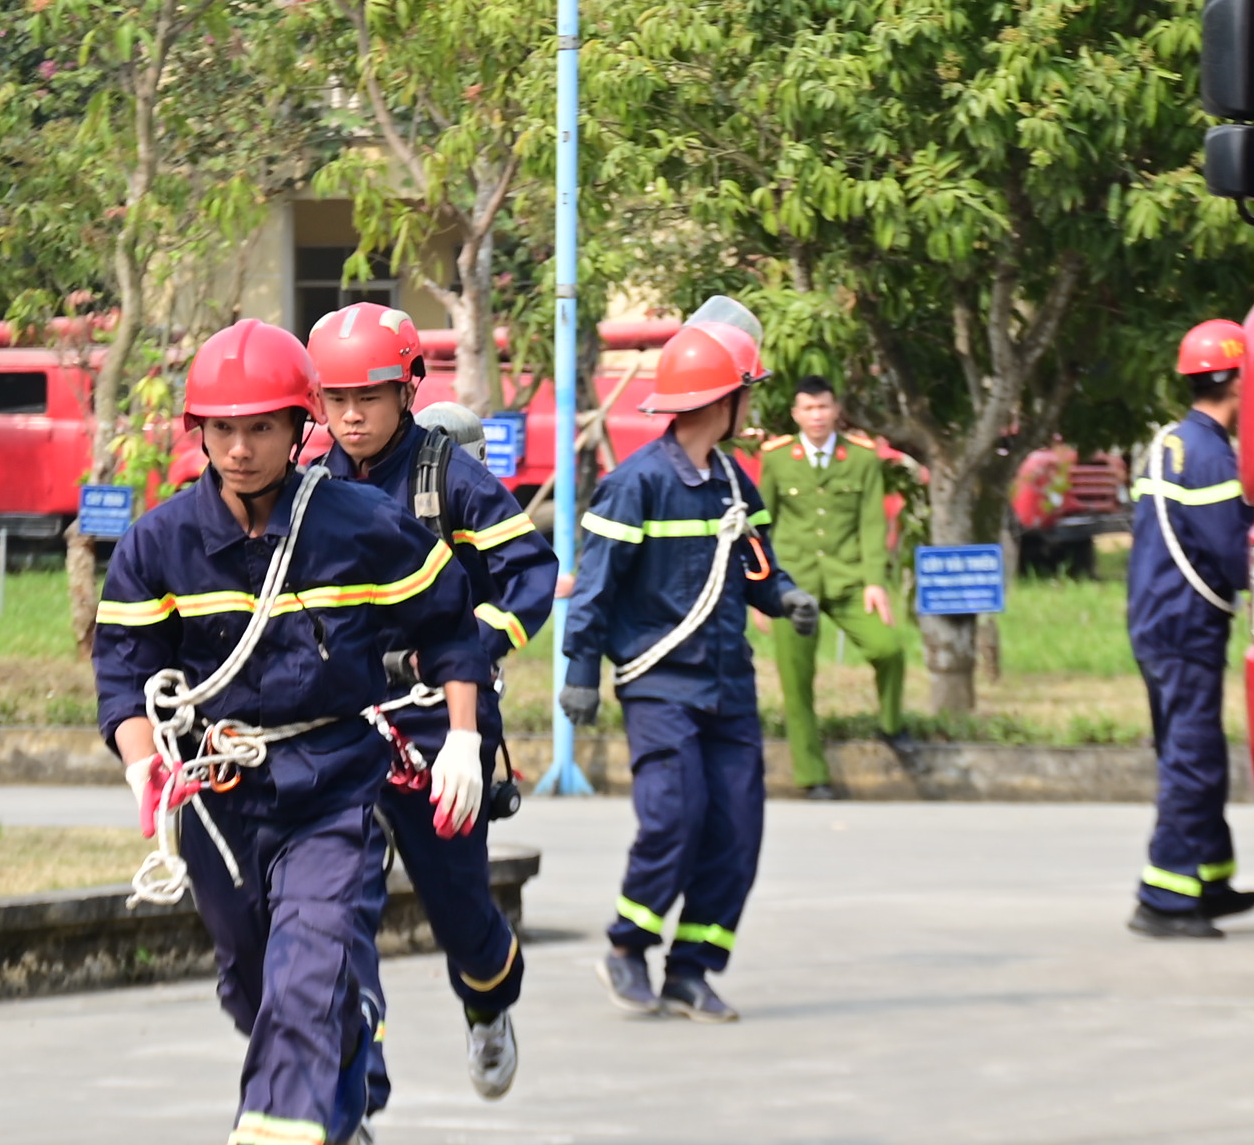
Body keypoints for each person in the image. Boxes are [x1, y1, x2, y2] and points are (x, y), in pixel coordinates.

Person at [93, 318, 491, 1145]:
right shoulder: (162, 543)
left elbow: (452, 628)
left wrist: (469, 739)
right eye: (221, 429)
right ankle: (347, 1053)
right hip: (219, 800)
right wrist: (144, 767)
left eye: (260, 427)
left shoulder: (357, 522)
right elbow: (121, 673)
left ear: (297, 426)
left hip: (331, 790)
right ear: (196, 433)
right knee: (253, 987)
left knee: (304, 978)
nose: (239, 447)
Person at [306, 304, 556, 1102]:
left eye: (369, 396)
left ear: (408, 388)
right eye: (335, 397)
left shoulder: (446, 473)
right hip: (340, 723)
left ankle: (489, 1005)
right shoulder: (304, 484)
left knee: (461, 913)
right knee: (338, 907)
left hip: (438, 722)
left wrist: (463, 656)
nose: (351, 415)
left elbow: (531, 574)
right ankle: (357, 1081)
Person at [561, 323, 815, 1023]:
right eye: (745, 394)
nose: (750, 406)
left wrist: (784, 595)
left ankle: (691, 969)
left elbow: (755, 565)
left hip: (729, 682)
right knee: (675, 816)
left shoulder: (734, 482)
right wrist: (581, 670)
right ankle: (627, 947)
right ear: (720, 401)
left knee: (736, 831)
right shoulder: (634, 484)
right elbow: (595, 587)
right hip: (661, 683)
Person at [1127, 319, 1254, 939]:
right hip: (1185, 630)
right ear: (1236, 380)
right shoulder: (1211, 457)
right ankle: (1165, 894)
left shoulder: (1173, 441)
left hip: (1160, 623)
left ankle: (1209, 878)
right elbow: (1234, 558)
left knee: (1194, 753)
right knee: (1193, 759)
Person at [757, 373, 903, 799]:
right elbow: (761, 527)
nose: (817, 416)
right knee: (797, 680)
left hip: (848, 579)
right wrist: (760, 591)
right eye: (808, 409)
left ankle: (892, 725)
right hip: (792, 584)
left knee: (888, 648)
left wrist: (875, 582)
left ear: (836, 410)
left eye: (824, 408)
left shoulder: (861, 456)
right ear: (796, 414)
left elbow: (872, 524)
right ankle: (812, 774)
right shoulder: (778, 458)